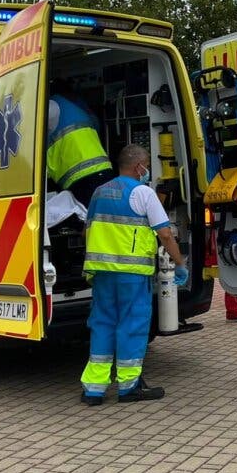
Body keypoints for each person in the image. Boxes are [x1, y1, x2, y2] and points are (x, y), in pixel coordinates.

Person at [79, 144, 189, 406]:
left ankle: (94, 389)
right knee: (132, 325)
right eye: (147, 166)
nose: (147, 170)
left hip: (102, 272)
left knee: (103, 324)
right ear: (138, 166)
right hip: (132, 273)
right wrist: (180, 263)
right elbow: (164, 233)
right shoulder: (143, 193)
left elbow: (87, 232)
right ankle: (128, 386)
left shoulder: (99, 192)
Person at [47, 86, 115, 208]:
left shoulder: (51, 106)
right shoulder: (79, 107)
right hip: (103, 170)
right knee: (105, 214)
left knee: (90, 219)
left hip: (80, 175)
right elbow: (96, 125)